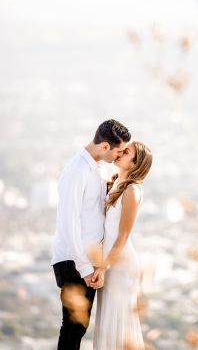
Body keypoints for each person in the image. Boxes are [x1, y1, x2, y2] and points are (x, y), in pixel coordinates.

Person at [51, 119, 131, 350]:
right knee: (74, 326)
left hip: (86, 260)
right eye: (117, 151)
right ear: (105, 146)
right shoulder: (76, 171)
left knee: (78, 327)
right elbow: (69, 224)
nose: (118, 156)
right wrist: (85, 268)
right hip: (74, 260)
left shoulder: (99, 169)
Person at [91, 141, 153, 350]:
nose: (120, 152)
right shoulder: (116, 184)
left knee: (119, 322)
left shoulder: (132, 191)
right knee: (108, 320)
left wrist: (103, 266)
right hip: (110, 262)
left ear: (136, 164)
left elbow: (123, 236)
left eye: (127, 152)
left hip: (120, 265)